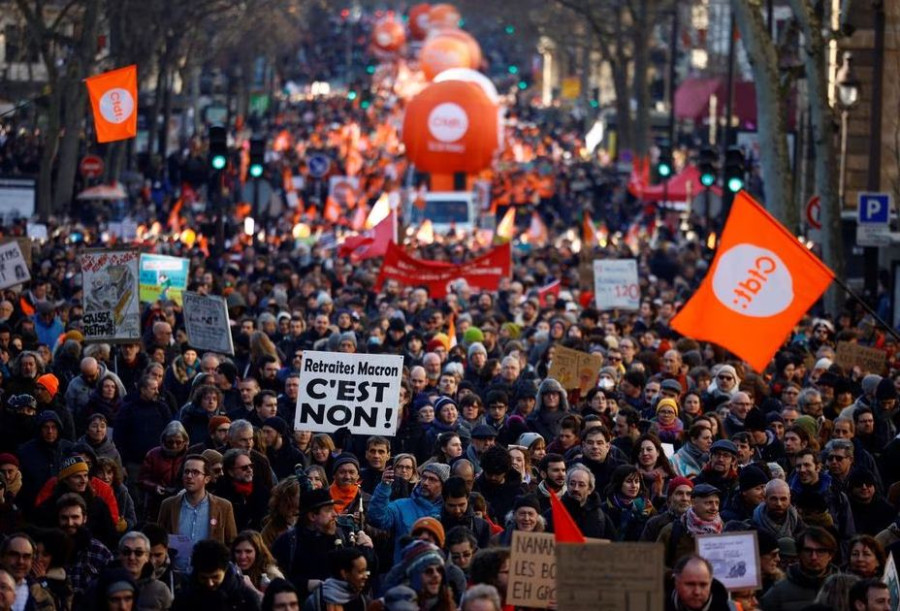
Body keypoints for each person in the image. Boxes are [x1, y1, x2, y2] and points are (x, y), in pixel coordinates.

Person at [270, 489, 374, 601]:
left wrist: (366, 548)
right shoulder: (287, 542)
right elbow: (275, 581)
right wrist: (306, 585)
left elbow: (365, 572)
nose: (335, 514)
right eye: (329, 510)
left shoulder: (342, 536)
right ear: (312, 516)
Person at [156, 454, 237, 571]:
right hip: (176, 573)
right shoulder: (168, 505)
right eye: (186, 472)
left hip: (210, 574)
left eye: (195, 472)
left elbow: (231, 542)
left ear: (207, 479)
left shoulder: (224, 507)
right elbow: (159, 539)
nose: (189, 476)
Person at [367, 463, 445, 562]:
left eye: (432, 479)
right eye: (424, 477)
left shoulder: (449, 510)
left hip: (436, 572)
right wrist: (384, 487)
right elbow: (377, 518)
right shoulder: (401, 506)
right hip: (405, 570)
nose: (425, 482)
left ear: (443, 485)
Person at [760, 527, 841, 611]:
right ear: (799, 554)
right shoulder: (779, 591)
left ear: (830, 555)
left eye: (820, 551)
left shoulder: (844, 588)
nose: (814, 557)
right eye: (808, 550)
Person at [172, 540, 261, 611]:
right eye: (204, 578)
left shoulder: (246, 599)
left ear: (225, 571)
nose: (209, 583)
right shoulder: (185, 598)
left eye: (215, 577)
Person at [658, 484, 724, 568]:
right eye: (708, 503)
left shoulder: (723, 530)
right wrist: (674, 575)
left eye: (717, 503)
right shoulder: (672, 531)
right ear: (693, 503)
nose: (714, 508)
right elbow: (655, 564)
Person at [545, 465, 615, 539]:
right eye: (572, 484)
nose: (576, 489)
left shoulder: (600, 518)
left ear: (590, 489)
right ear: (567, 486)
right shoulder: (552, 514)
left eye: (581, 485)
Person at [114, 531, 173, 611]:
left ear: (147, 557)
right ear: (120, 554)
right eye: (126, 551)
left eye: (138, 553)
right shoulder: (100, 586)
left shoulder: (160, 590)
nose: (132, 557)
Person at [217, 449, 270, 532]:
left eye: (251, 466)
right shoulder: (221, 494)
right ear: (231, 472)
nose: (250, 470)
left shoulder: (262, 491)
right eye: (244, 468)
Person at [0, 533, 56, 611]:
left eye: (26, 556)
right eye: (14, 555)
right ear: (2, 557)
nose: (20, 561)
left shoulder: (42, 596)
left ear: (32, 561)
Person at [301, 548, 369, 611]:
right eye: (360, 571)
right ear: (344, 573)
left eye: (365, 571)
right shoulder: (316, 602)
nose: (365, 576)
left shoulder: (363, 600)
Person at [603, 465, 655, 541]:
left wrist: (645, 515)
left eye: (637, 481)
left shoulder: (646, 507)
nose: (634, 486)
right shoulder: (606, 508)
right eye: (629, 481)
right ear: (619, 483)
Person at [439, 477, 491, 549]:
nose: (457, 510)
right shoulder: (435, 524)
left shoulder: (481, 526)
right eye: (451, 505)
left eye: (461, 505)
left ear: (468, 499)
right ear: (444, 501)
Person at [664, 555, 731, 611]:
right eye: (690, 584)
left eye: (703, 585)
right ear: (676, 582)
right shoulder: (659, 605)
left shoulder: (724, 606)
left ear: (710, 583)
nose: (697, 592)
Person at [231, 531, 284, 598]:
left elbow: (281, 602)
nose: (242, 557)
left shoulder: (272, 574)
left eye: (248, 551)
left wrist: (251, 588)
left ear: (258, 552)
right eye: (238, 552)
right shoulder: (231, 572)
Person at [640, 477, 693, 542]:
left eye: (689, 494)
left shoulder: (702, 524)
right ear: (669, 499)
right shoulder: (654, 524)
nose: (685, 498)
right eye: (679, 493)